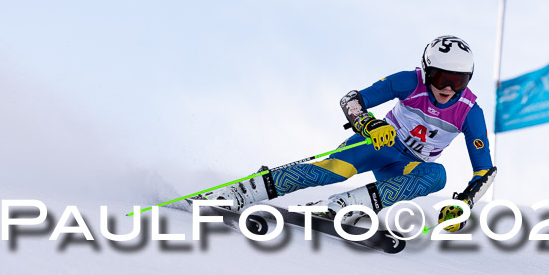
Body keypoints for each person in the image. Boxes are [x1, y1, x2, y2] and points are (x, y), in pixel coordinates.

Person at [202, 35, 497, 232]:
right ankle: (241, 191)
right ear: (427, 71)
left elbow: (484, 170)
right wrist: (368, 123)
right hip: (379, 143)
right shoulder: (410, 81)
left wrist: (463, 203)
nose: (448, 88)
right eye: (441, 78)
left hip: (405, 166)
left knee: (437, 175)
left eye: (458, 81)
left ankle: (344, 206)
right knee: (333, 171)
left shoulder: (470, 111)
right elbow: (352, 100)